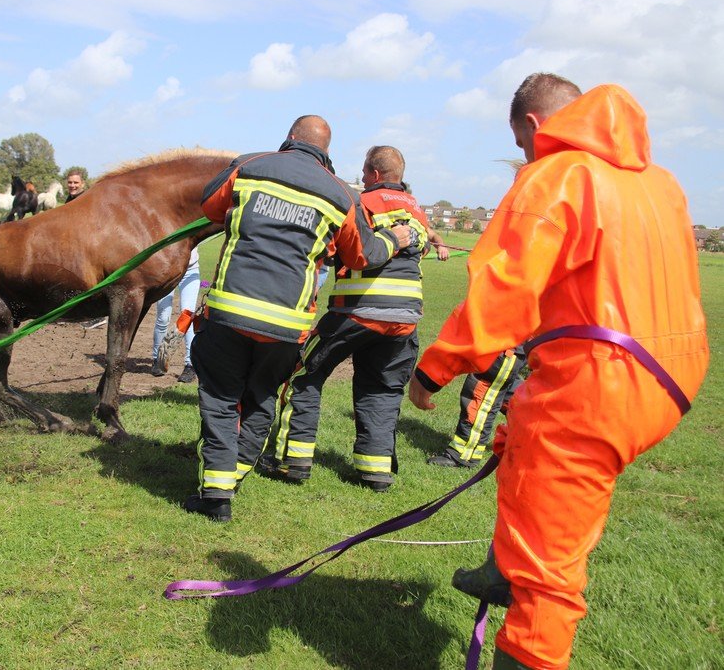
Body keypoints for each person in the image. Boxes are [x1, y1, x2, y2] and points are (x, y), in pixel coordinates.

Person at [408, 74, 708, 670]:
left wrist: (434, 371)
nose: (525, 154)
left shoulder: (557, 175)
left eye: (522, 142)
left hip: (600, 383)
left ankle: (525, 612)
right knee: (520, 429)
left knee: (548, 573)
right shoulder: (662, 184)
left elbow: (502, 294)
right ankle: (500, 566)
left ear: (535, 126)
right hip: (671, 376)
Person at [184, 115, 412, 522]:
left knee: (220, 398)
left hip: (230, 310)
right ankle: (231, 476)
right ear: (327, 151)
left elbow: (210, 204)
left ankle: (216, 494)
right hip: (287, 326)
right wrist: (394, 238)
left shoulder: (250, 165)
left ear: (289, 138)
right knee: (262, 397)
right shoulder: (341, 194)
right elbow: (364, 255)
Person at [259, 145, 432, 492]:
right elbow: (422, 251)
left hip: (357, 312)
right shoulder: (419, 213)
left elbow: (343, 246)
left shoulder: (360, 202)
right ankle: (375, 472)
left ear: (374, 174)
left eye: (366, 172)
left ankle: (294, 462)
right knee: (381, 390)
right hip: (405, 319)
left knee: (304, 375)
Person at [426, 345, 526, 468]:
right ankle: (540, 429)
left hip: (507, 344)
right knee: (504, 385)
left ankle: (464, 455)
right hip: (503, 340)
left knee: (483, 391)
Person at [151, 247, 200, 383]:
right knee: (163, 316)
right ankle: (157, 359)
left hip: (190, 270)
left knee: (187, 317)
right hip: (167, 270)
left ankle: (190, 364)